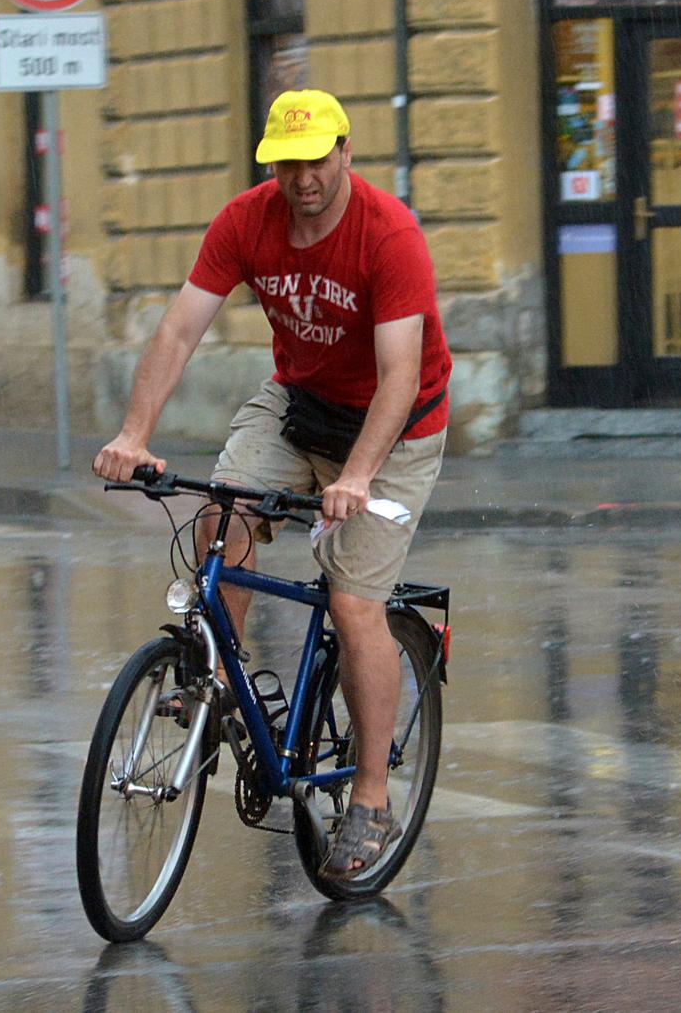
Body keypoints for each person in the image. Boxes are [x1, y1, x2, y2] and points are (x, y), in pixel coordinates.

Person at [93, 88, 452, 880]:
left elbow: (399, 377)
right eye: (287, 163)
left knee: (356, 601)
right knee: (225, 513)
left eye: (316, 159)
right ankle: (214, 680)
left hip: (395, 429)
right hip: (299, 404)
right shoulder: (245, 221)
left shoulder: (389, 236)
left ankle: (370, 800)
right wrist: (134, 435)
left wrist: (357, 476)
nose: (303, 178)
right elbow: (181, 327)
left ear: (345, 151)